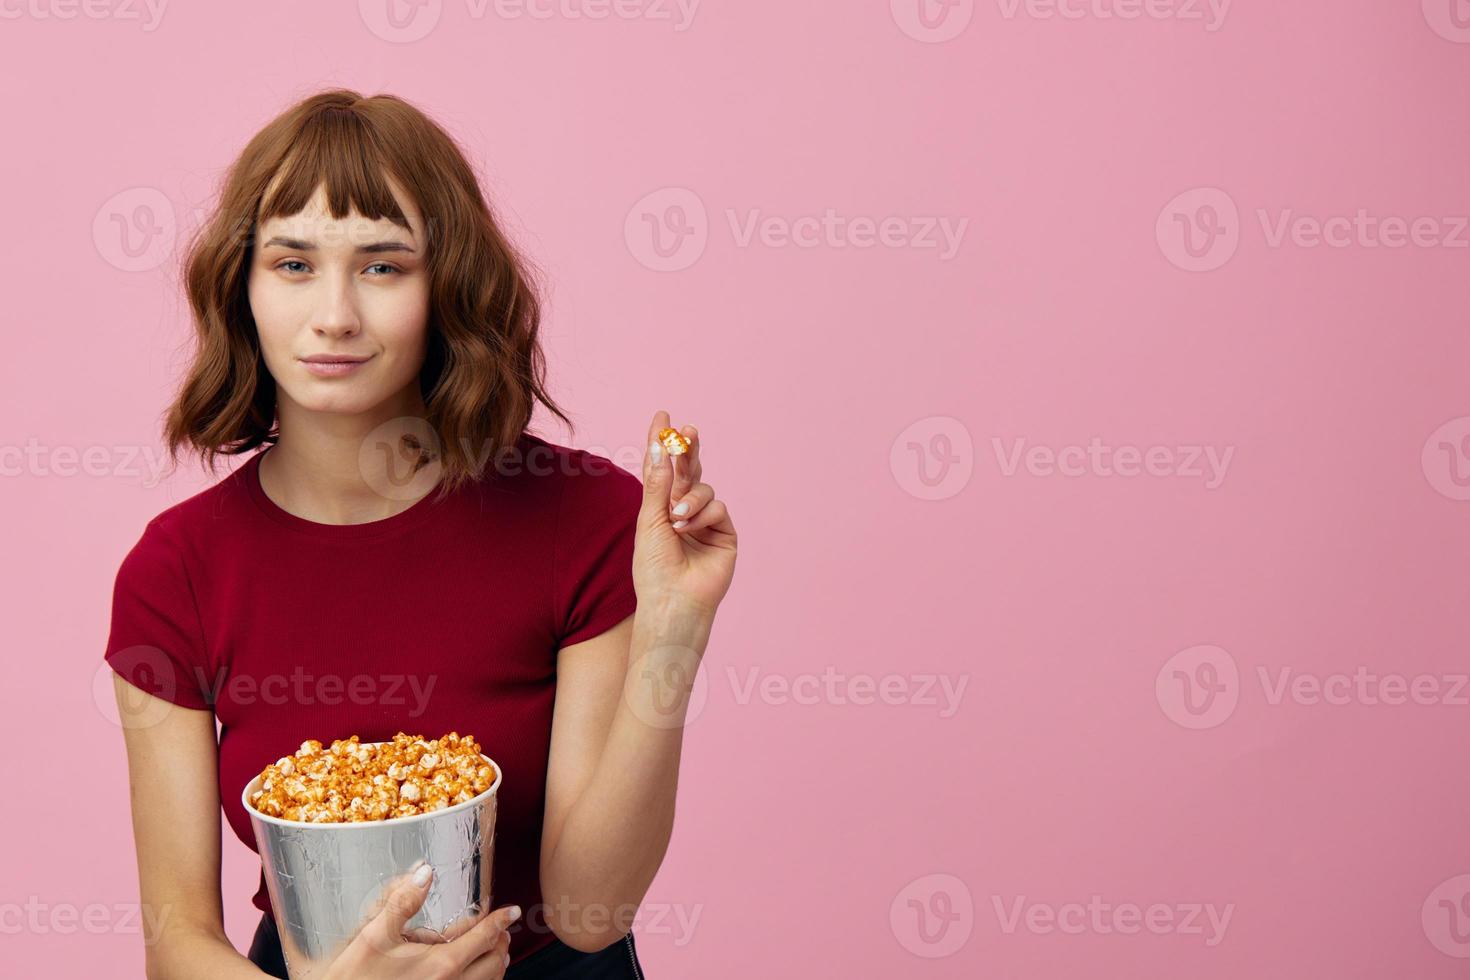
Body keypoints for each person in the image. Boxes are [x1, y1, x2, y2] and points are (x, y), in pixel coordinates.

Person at [104, 89, 737, 979]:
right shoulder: (174, 570)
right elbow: (176, 945)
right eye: (292, 264)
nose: (334, 316)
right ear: (240, 286)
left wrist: (674, 633)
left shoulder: (588, 521)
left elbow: (593, 912)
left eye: (382, 266)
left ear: (448, 287)